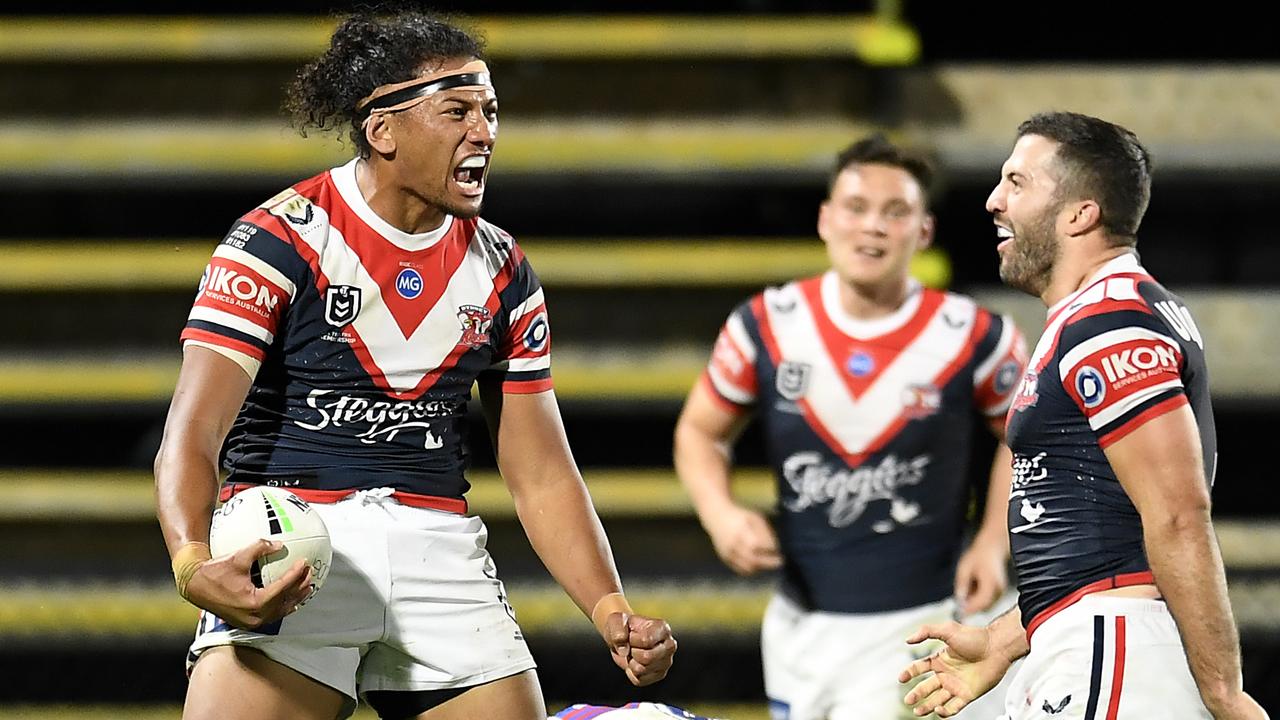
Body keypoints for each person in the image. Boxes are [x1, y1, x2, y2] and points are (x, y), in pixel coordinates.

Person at [154, 10, 675, 720]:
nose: (485, 131)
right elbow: (193, 430)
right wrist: (192, 564)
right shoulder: (278, 241)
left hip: (440, 550)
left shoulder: (504, 269)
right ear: (384, 131)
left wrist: (609, 607)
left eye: (490, 111)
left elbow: (542, 471)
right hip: (296, 544)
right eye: (457, 110)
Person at [900, 111, 1269, 720]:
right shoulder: (1095, 314)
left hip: (1114, 653)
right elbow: (1104, 534)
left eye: (1017, 183)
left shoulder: (1110, 325)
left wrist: (1225, 694)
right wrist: (1004, 637)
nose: (993, 201)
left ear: (1080, 213)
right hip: (1094, 644)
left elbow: (1177, 515)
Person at [673, 135, 1028, 720]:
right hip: (801, 629)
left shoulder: (976, 335)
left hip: (929, 624)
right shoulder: (764, 326)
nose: (873, 227)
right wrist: (721, 514)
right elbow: (698, 433)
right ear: (825, 220)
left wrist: (994, 542)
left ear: (924, 231)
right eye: (856, 207)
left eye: (896, 212)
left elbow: (1027, 438)